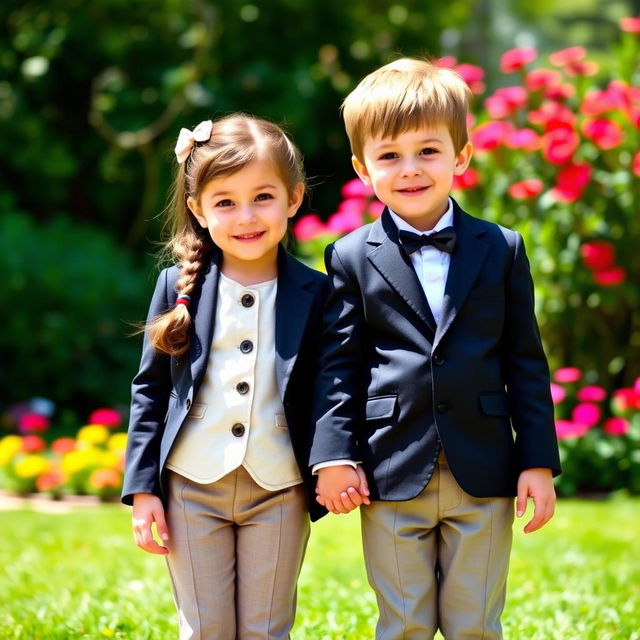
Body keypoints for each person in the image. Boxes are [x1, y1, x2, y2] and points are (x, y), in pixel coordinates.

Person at [310, 58, 561, 640]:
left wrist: (538, 461)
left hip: (485, 466)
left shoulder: (501, 248)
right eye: (390, 155)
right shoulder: (348, 257)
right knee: (403, 622)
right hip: (392, 468)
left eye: (428, 151)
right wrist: (332, 456)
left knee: (474, 621)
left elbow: (525, 359)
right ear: (362, 168)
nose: (410, 169)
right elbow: (339, 367)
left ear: (461, 157)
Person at [121, 113, 328, 640]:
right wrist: (143, 489)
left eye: (263, 197)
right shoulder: (177, 285)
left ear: (294, 198)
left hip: (278, 489)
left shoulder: (316, 293)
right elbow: (151, 390)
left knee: (265, 627)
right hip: (192, 486)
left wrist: (333, 461)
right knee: (206, 627)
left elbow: (331, 390)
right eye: (225, 202)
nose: (246, 216)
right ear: (197, 208)